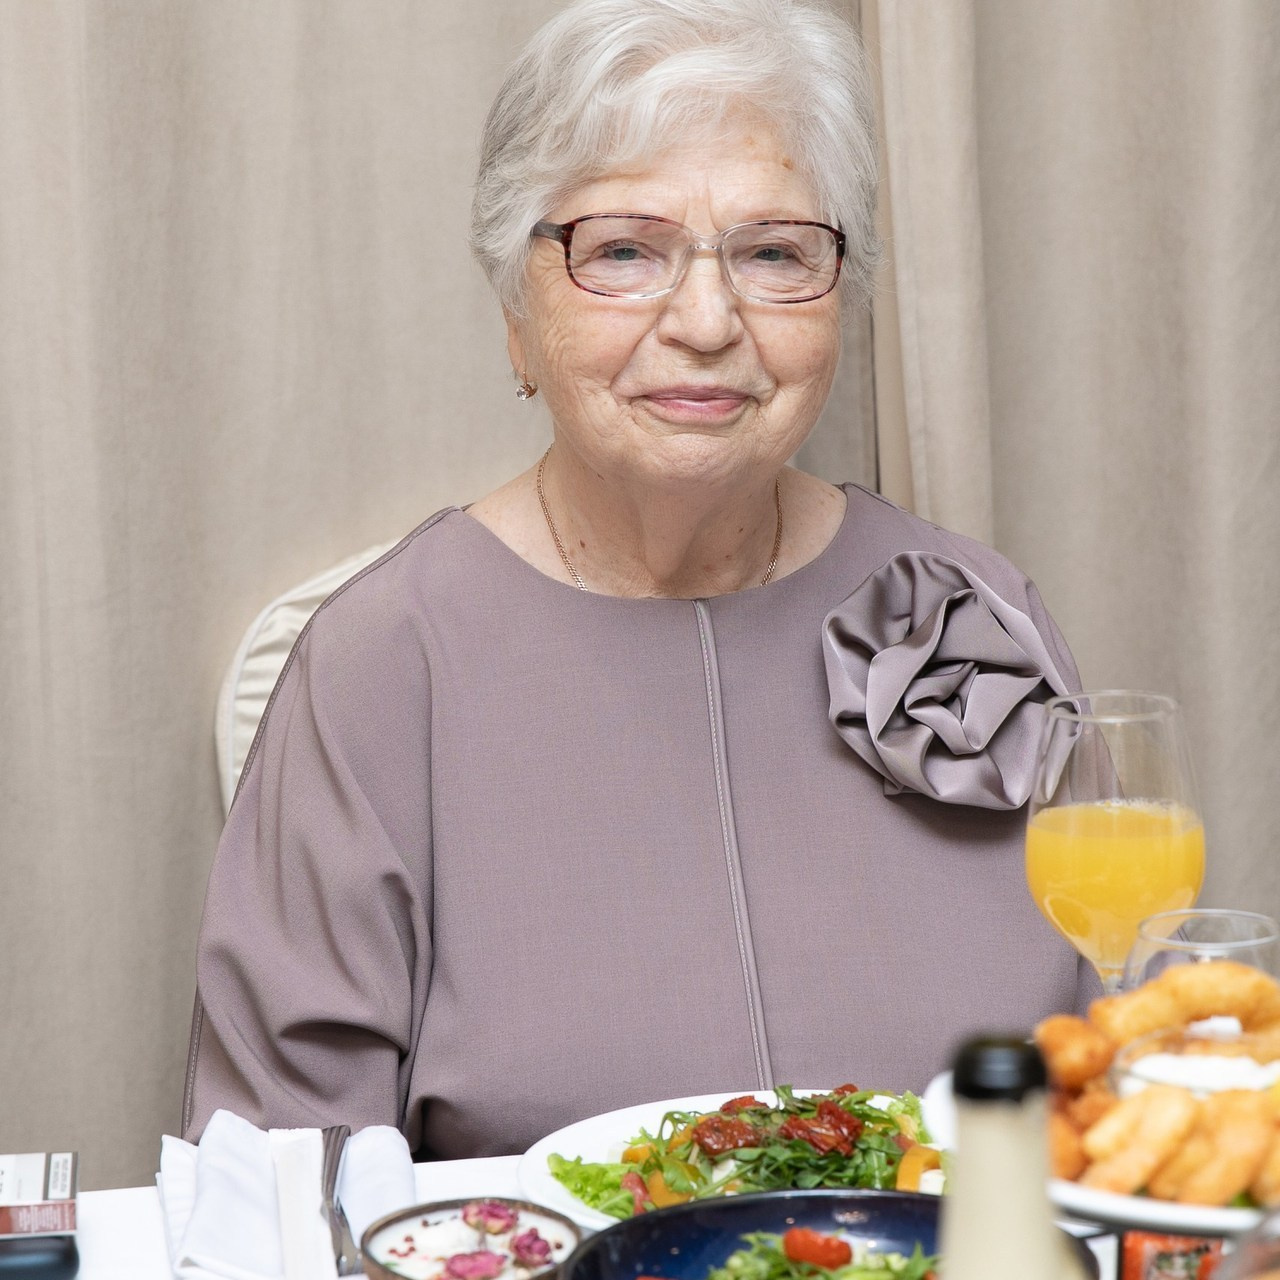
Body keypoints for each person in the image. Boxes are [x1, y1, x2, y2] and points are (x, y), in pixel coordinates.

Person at [183, 0, 1087, 1158]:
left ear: (840, 298)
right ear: (517, 315)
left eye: (771, 253)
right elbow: (273, 1192)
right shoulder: (380, 664)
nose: (706, 320)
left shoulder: (979, 618)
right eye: (622, 250)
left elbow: (1140, 1102)